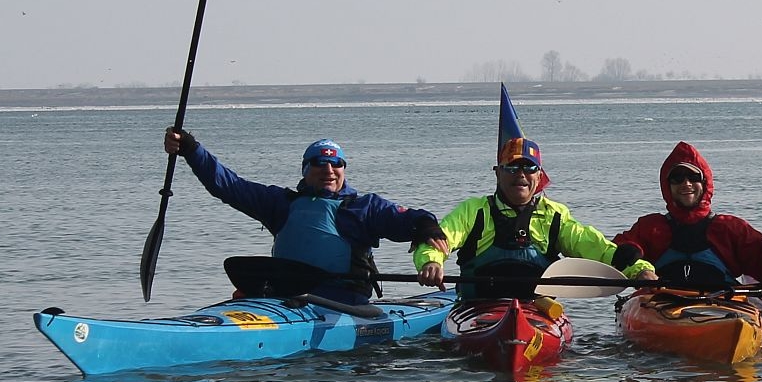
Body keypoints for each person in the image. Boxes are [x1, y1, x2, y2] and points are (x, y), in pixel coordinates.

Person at [163, 127, 445, 302]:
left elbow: (410, 219)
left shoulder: (363, 207)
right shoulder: (280, 203)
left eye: (336, 164)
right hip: (286, 297)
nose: (329, 170)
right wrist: (191, 149)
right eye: (320, 164)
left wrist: (426, 227)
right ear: (306, 170)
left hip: (343, 302)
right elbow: (229, 185)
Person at [414, 136, 656, 299]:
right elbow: (439, 239)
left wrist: (639, 269)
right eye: (512, 168)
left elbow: (597, 248)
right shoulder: (473, 211)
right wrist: (431, 262)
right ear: (497, 173)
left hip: (536, 310)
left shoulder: (555, 215)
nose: (521, 175)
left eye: (529, 168)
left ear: (539, 176)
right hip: (478, 308)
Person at [614, 141, 762, 290]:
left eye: (693, 177)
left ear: (704, 183)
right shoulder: (650, 226)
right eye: (677, 178)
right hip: (660, 304)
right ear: (667, 186)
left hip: (721, 306)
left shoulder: (730, 228)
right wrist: (631, 251)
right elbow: (618, 248)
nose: (686, 184)